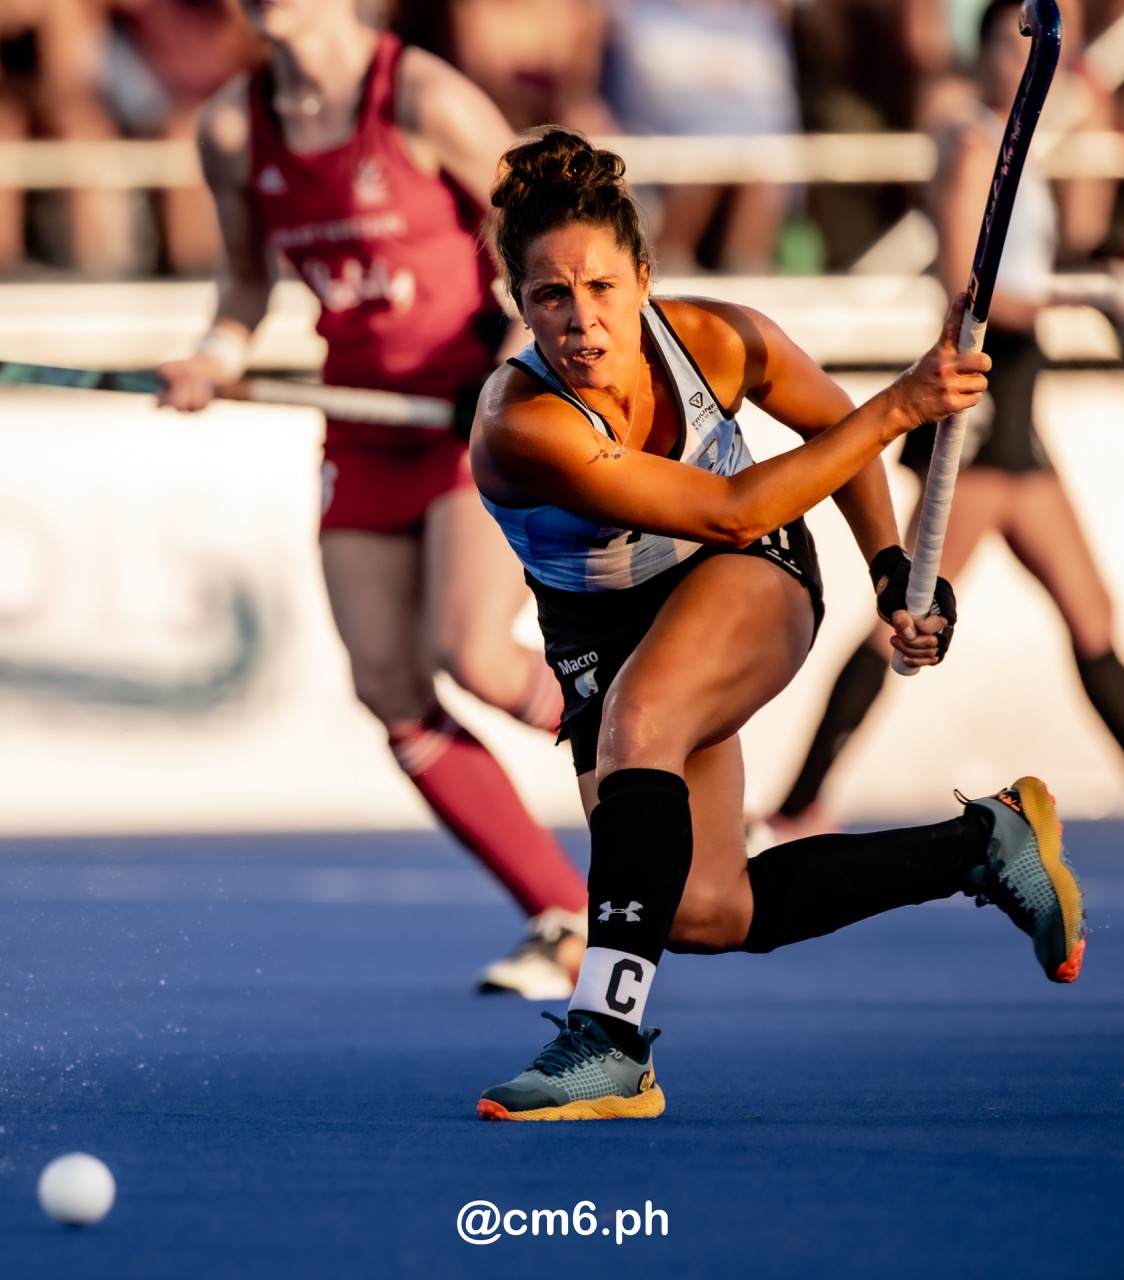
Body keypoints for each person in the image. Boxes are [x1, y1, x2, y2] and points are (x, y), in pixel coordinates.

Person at [468, 126, 1086, 1121]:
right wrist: (896, 409)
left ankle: (606, 1041)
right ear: (518, 305)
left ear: (643, 276)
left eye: (600, 289)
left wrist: (892, 569)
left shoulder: (718, 338)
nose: (580, 321)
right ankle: (981, 843)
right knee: (704, 907)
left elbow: (817, 430)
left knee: (642, 722)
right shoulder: (518, 423)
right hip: (624, 625)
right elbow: (734, 498)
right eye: (549, 296)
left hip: (745, 579)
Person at [155, 0, 589, 999]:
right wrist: (215, 358)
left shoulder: (424, 95)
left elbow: (547, 245)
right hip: (360, 423)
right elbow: (242, 283)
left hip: (466, 414)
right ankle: (560, 908)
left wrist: (510, 366)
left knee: (474, 653)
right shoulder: (232, 127)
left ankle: (652, 759)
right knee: (388, 688)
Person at [769, 0, 1124, 842]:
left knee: (1091, 620)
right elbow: (979, 291)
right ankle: (795, 805)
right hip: (983, 405)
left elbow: (1072, 238)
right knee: (910, 615)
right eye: (1017, 41)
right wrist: (1093, 295)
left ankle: (797, 801)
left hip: (1017, 415)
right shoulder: (970, 146)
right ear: (989, 49)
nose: (1032, 56)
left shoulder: (1025, 151)